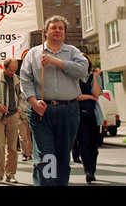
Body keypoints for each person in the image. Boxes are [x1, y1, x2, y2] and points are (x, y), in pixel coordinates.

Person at [20, 15, 88, 186]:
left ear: (64, 32)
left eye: (61, 28)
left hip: (68, 111)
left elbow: (83, 70)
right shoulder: (33, 53)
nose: (57, 30)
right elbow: (25, 80)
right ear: (45, 32)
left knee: (63, 156)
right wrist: (33, 102)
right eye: (54, 27)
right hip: (41, 111)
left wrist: (57, 62)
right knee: (46, 156)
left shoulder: (73, 52)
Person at [0, 58, 26, 184]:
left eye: (15, 70)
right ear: (4, 67)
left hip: (14, 115)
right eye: (10, 70)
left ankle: (11, 174)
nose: (12, 72)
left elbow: (22, 98)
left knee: (13, 146)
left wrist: (20, 109)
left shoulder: (18, 79)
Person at [76, 53, 103, 183]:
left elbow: (97, 93)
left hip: (93, 115)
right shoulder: (74, 78)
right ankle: (88, 171)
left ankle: (92, 170)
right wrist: (91, 97)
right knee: (84, 142)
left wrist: (96, 78)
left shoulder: (94, 77)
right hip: (79, 115)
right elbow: (77, 96)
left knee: (94, 145)